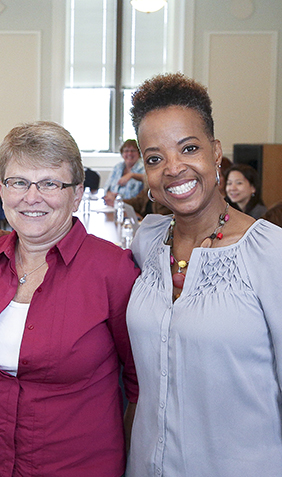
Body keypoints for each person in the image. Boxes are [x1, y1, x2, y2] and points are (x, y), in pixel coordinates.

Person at [0, 121, 139, 477]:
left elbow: (139, 384)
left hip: (78, 465)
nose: (31, 197)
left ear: (77, 193)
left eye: (50, 183)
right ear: (2, 190)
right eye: (19, 182)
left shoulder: (113, 270)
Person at [126, 72, 282, 475]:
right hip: (148, 464)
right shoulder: (148, 241)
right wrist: (14, 242)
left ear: (216, 153)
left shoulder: (269, 252)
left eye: (188, 148)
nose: (173, 169)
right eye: (155, 158)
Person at [103, 139, 145, 205]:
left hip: (133, 206)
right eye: (126, 151)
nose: (129, 153)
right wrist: (109, 194)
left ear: (139, 153)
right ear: (122, 154)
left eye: (133, 151)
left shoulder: (143, 168)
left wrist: (132, 175)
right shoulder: (117, 167)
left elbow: (147, 179)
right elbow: (107, 187)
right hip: (114, 204)